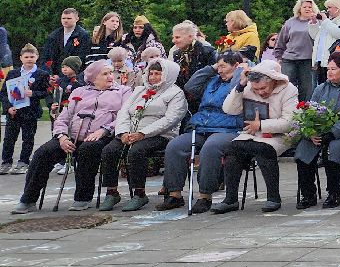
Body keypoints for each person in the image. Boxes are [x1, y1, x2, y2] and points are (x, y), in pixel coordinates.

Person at [11, 61, 128, 213]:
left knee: (88, 149)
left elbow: (123, 117)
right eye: (105, 74)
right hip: (72, 136)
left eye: (110, 73)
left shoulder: (123, 91)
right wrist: (61, 137)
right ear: (92, 78)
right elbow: (64, 117)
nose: (110, 76)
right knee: (42, 153)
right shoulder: (79, 91)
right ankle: (28, 199)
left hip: (101, 136)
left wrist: (104, 131)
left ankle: (82, 197)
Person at [156, 51, 245, 213]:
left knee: (210, 148)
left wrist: (240, 71)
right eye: (218, 66)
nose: (220, 70)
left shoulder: (242, 82)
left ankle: (205, 195)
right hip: (202, 126)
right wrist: (212, 67)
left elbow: (236, 89)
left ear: (236, 66)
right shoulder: (212, 81)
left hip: (228, 128)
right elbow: (190, 87)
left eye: (223, 66)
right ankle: (174, 194)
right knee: (175, 146)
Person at [96, 57, 188, 211]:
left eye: (157, 74)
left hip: (160, 135)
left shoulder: (175, 93)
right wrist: (123, 132)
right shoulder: (140, 90)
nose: (153, 77)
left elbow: (170, 119)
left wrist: (143, 133)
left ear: (167, 75)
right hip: (130, 133)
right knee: (109, 150)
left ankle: (139, 194)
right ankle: (111, 192)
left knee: (137, 151)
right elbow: (124, 112)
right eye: (150, 73)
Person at [210, 59, 298, 214]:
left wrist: (262, 125)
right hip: (252, 134)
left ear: (273, 81)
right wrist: (240, 86)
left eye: (263, 88)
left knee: (263, 149)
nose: (260, 92)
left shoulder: (288, 89)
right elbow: (229, 109)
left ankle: (273, 197)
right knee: (231, 150)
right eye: (256, 89)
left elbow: (290, 122)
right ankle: (230, 200)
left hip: (279, 135)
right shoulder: (248, 86)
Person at [293, 51, 340, 208]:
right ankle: (308, 194)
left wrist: (333, 132)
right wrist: (311, 132)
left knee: (333, 150)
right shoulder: (321, 88)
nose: (329, 72)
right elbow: (310, 110)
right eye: (328, 68)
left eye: (334, 69)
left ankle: (334, 193)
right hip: (320, 132)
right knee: (303, 150)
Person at [2, 44, 50, 174]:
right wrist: (8, 108)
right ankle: (6, 162)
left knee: (28, 138)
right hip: (14, 112)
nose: (29, 59)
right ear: (21, 58)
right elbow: (4, 93)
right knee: (9, 138)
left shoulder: (42, 74)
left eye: (32, 56)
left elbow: (46, 92)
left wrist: (33, 94)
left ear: (37, 57)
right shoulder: (13, 73)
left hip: (30, 112)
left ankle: (23, 162)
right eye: (26, 57)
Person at [276, 0, 320, 99]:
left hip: (308, 60)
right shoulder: (290, 22)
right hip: (289, 59)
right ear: (299, 8)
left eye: (310, 7)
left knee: (307, 89)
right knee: (286, 86)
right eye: (304, 7)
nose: (307, 9)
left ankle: (304, 110)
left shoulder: (316, 23)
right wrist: (279, 57)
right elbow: (281, 40)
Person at [40, 8, 90, 79]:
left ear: (77, 19)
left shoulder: (83, 36)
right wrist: (49, 74)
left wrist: (62, 76)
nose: (65, 20)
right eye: (63, 18)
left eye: (69, 18)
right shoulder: (53, 36)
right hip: (53, 76)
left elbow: (81, 58)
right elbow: (46, 57)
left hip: (74, 76)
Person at [169, 20, 216, 90]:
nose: (173, 41)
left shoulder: (207, 52)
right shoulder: (176, 54)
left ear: (190, 37)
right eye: (173, 37)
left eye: (177, 37)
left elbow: (213, 77)